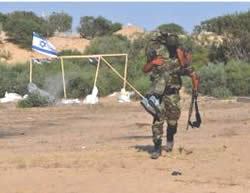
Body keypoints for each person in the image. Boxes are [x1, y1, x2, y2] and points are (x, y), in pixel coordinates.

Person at [142, 32, 199, 159]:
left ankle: (170, 138)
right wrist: (153, 63)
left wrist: (195, 90)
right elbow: (145, 69)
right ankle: (157, 148)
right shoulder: (159, 57)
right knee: (158, 120)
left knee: (173, 121)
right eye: (170, 47)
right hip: (158, 95)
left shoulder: (181, 60)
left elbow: (194, 75)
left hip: (173, 95)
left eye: (175, 48)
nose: (172, 50)